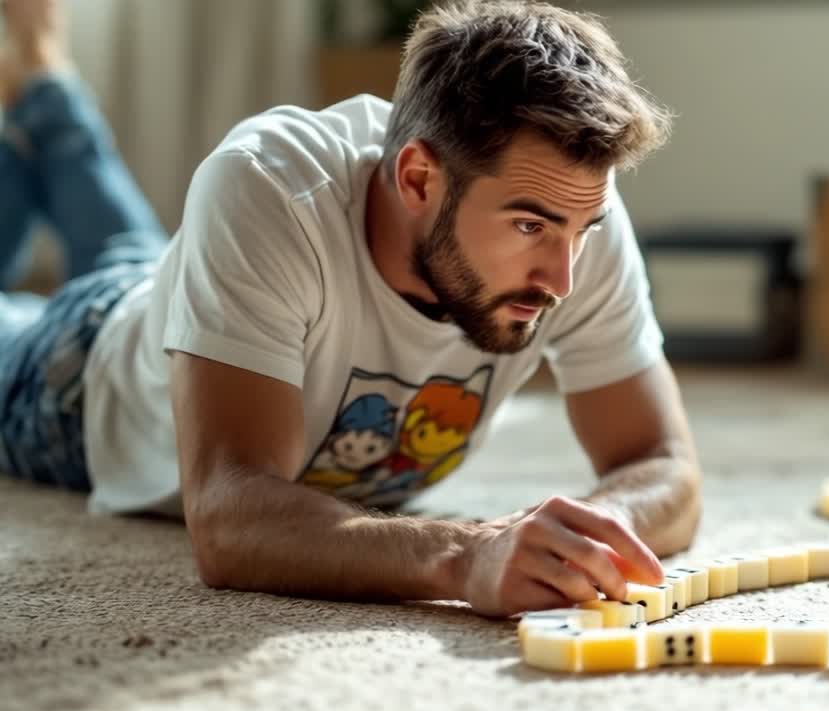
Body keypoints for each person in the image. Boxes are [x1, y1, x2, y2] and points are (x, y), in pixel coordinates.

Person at [0, 0, 703, 619]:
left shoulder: (569, 212)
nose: (563, 279)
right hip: (75, 379)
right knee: (114, 271)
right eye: (528, 227)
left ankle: (44, 78)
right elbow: (226, 514)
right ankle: (40, 86)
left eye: (584, 228)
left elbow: (666, 466)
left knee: (133, 250)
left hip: (176, 293)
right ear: (418, 178)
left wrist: (602, 529)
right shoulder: (269, 187)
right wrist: (467, 554)